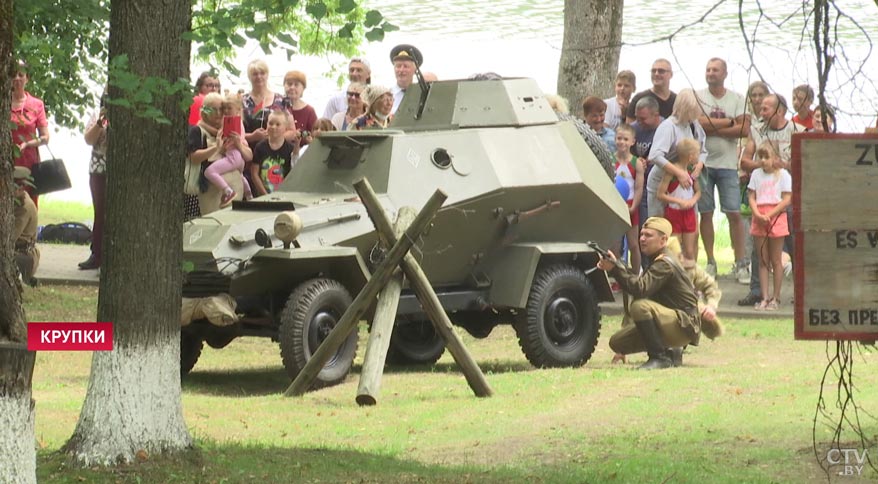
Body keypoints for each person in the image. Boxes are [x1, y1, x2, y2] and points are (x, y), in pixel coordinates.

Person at [598, 217, 701, 370]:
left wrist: (615, 269)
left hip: (685, 324)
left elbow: (640, 289)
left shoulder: (664, 263)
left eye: (648, 235)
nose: (642, 239)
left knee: (641, 306)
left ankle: (659, 357)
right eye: (641, 234)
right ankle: (671, 351)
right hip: (673, 320)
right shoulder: (657, 260)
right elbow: (638, 286)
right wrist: (616, 265)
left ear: (663, 240)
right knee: (617, 342)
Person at [612, 236, 723, 364]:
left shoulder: (689, 270)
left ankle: (672, 349)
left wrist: (711, 306)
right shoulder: (653, 274)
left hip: (684, 319)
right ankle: (662, 348)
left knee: (696, 308)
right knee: (617, 341)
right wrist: (623, 343)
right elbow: (636, 308)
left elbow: (710, 286)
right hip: (658, 318)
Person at [737, 94, 803, 306]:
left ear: (780, 111)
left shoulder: (796, 130)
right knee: (760, 252)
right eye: (761, 108)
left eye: (766, 109)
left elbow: (805, 161)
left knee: (794, 245)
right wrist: (766, 165)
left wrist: (784, 166)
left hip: (787, 197)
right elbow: (745, 161)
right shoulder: (756, 130)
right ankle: (758, 292)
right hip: (763, 199)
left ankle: (801, 292)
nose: (761, 112)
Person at [696, 58, 750, 281]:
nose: (711, 73)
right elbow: (697, 124)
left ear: (725, 73)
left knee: (734, 213)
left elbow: (744, 130)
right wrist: (728, 123)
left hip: (728, 166)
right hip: (704, 164)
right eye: (708, 69)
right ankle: (710, 262)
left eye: (715, 70)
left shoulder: (737, 98)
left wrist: (712, 127)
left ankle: (740, 263)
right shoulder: (698, 96)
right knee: (705, 213)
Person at [646, 88, 706, 219]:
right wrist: (678, 172)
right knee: (659, 225)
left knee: (688, 226)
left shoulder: (693, 125)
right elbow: (655, 156)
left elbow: (702, 149)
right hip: (662, 182)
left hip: (685, 185)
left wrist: (700, 164)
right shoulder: (668, 126)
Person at [747, 141, 792, 311]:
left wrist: (771, 214)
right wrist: (757, 213)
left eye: (767, 157)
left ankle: (776, 297)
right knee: (762, 259)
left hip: (776, 215)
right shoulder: (756, 174)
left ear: (775, 157)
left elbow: (787, 198)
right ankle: (764, 297)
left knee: (776, 259)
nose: (764, 161)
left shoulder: (783, 175)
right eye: (761, 157)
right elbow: (751, 196)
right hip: (759, 215)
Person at [204, 94, 253, 207]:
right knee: (240, 175)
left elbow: (229, 139)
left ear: (238, 110)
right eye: (224, 108)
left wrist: (226, 143)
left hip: (233, 156)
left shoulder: (234, 122)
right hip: (238, 158)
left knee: (209, 172)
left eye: (229, 108)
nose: (225, 111)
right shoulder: (234, 122)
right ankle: (249, 194)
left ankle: (228, 191)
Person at [11, 60, 49, 207]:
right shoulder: (3, 102)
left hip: (29, 164)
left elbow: (45, 137)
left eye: (21, 75)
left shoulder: (36, 104)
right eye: (14, 75)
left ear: (27, 78)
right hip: (6, 162)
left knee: (29, 206)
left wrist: (27, 144)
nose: (17, 78)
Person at [657, 138, 701, 260]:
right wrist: (679, 202)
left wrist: (692, 201)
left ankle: (690, 276)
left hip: (688, 213)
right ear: (690, 156)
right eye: (698, 154)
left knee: (689, 251)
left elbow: (698, 191)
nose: (699, 157)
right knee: (674, 250)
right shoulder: (671, 172)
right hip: (674, 213)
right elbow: (660, 194)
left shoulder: (692, 170)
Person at [80, 93, 109, 270]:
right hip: (99, 170)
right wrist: (101, 122)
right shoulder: (97, 115)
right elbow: (89, 140)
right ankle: (97, 254)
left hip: (121, 170)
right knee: (101, 212)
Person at [612, 123, 644, 270]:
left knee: (633, 244)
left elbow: (638, 188)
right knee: (615, 245)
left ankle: (636, 275)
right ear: (614, 139)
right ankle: (620, 276)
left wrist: (633, 207)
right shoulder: (610, 161)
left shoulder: (636, 163)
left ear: (632, 141)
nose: (622, 142)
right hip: (615, 206)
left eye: (625, 139)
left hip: (631, 205)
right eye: (619, 138)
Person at [251, 110, 296, 196]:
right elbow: (254, 173)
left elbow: (292, 174)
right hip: (262, 195)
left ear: (285, 128)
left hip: (283, 196)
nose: (273, 127)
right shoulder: (260, 147)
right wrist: (265, 195)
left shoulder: (290, 149)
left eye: (278, 124)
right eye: (270, 123)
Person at [242, 59, 285, 147]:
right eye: (255, 74)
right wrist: (252, 137)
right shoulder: (242, 101)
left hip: (275, 152)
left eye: (262, 73)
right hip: (249, 152)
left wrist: (273, 137)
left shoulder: (281, 100)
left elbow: (291, 131)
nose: (259, 77)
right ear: (249, 77)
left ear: (267, 75)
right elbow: (233, 133)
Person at [13, 167, 40, 287]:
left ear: (20, 187)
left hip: (23, 255)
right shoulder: (17, 200)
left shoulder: (23, 207)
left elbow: (10, 237)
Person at [626, 59, 676, 123]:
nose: (656, 74)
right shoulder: (639, 98)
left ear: (671, 74)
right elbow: (628, 129)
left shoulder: (677, 101)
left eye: (661, 71)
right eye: (653, 71)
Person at [282, 70, 318, 148]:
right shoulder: (277, 107)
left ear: (303, 88)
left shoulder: (309, 111)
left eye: (296, 85)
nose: (292, 87)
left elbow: (315, 137)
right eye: (289, 84)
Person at [389, 45, 420, 114]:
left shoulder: (421, 94)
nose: (401, 70)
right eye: (398, 66)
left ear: (415, 69)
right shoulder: (387, 95)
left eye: (406, 66)